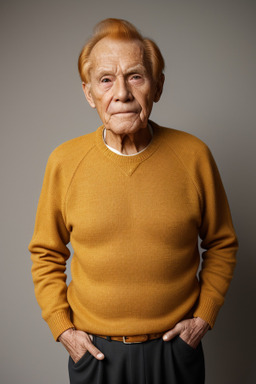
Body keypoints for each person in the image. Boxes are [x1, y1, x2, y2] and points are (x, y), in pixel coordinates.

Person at [28, 18, 238, 384]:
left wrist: (204, 316)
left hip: (176, 351)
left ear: (157, 87)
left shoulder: (193, 156)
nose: (121, 93)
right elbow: (45, 253)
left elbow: (222, 243)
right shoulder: (64, 162)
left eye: (136, 76)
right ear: (89, 93)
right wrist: (63, 330)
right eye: (106, 79)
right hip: (95, 355)